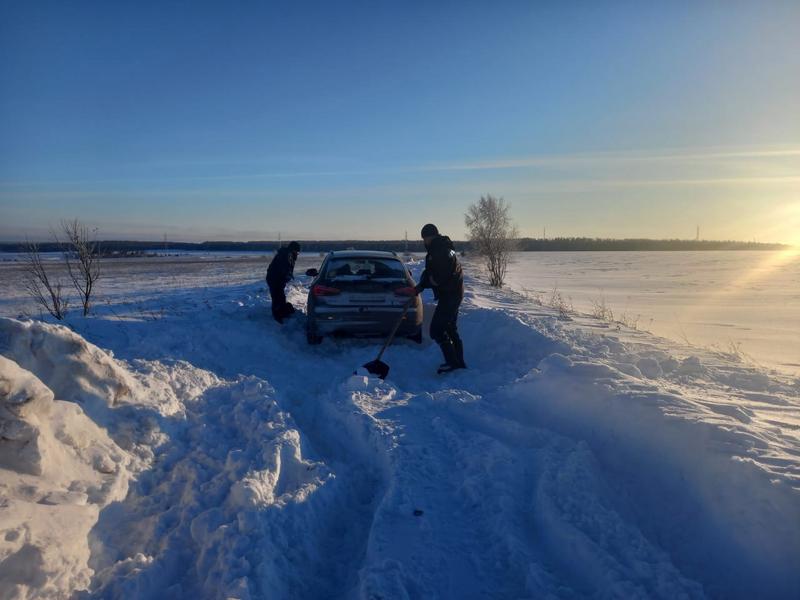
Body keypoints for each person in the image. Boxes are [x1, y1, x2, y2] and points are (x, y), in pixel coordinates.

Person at [415, 224, 466, 373]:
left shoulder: (439, 251)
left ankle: (452, 362)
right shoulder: (443, 247)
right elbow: (431, 271)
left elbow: (439, 277)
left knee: (436, 330)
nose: (424, 242)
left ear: (430, 237)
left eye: (425, 239)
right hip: (453, 293)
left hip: (450, 295)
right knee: (450, 328)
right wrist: (421, 285)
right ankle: (459, 363)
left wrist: (426, 283)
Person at [266, 241, 300, 323]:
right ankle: (277, 317)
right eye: (297, 251)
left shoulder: (288, 255)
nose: (297, 253)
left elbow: (287, 269)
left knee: (280, 297)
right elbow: (283, 268)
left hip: (278, 279)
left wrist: (288, 276)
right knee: (277, 297)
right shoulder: (286, 255)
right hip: (274, 279)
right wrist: (287, 275)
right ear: (293, 249)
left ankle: (281, 313)